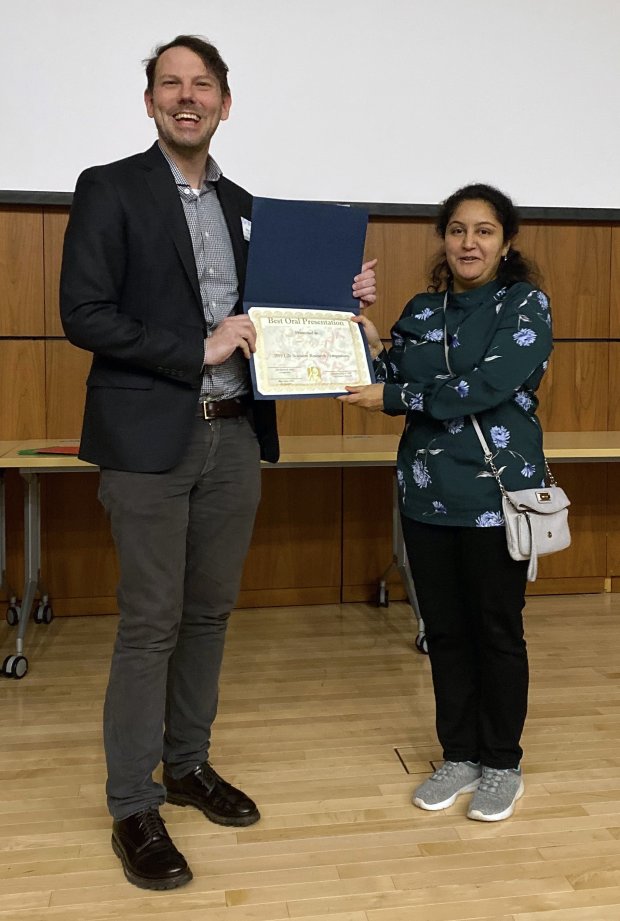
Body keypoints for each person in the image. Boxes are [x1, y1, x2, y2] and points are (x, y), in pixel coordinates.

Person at [60, 34, 376, 891]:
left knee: (208, 615)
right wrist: (193, 349)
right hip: (149, 438)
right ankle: (134, 804)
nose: (187, 96)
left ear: (226, 103)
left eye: (203, 85)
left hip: (237, 434)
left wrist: (336, 299)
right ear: (151, 101)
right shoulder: (109, 189)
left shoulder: (248, 206)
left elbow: (278, 313)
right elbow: (83, 312)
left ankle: (187, 766)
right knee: (149, 622)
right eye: (172, 84)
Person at [339, 183, 552, 823]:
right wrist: (369, 342)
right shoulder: (421, 310)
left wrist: (404, 393)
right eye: (457, 230)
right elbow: (387, 381)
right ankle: (458, 755)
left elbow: (487, 384)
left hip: (497, 499)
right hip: (425, 500)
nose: (469, 243)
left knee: (497, 632)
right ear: (443, 239)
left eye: (484, 231)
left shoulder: (525, 304)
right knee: (445, 633)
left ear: (506, 242)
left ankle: (502, 764)